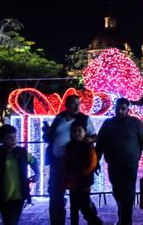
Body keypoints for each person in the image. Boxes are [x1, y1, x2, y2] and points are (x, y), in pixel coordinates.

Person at [96, 98, 143, 225]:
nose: (120, 111)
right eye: (118, 108)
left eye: (123, 109)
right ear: (115, 108)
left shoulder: (136, 123)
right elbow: (100, 144)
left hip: (130, 165)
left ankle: (126, 220)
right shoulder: (108, 123)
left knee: (128, 193)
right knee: (117, 192)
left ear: (128, 109)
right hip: (113, 165)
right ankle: (123, 216)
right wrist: (96, 162)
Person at [43, 95, 96, 225]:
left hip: (76, 163)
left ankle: (92, 218)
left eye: (78, 103)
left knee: (80, 195)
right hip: (57, 162)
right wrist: (47, 132)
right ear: (67, 105)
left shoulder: (84, 119)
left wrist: (88, 140)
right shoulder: (59, 118)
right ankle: (57, 221)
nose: (77, 106)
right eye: (73, 104)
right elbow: (49, 138)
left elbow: (94, 136)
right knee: (55, 194)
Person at [0, 125, 39, 225]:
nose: (13, 140)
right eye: (9, 138)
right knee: (10, 220)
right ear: (1, 139)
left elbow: (33, 161)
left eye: (14, 137)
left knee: (13, 220)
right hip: (3, 195)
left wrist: (37, 173)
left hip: (19, 195)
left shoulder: (21, 152)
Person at [65, 120, 102, 225]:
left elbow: (91, 163)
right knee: (74, 208)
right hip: (73, 182)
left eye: (79, 131)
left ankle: (96, 222)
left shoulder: (88, 146)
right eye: (74, 131)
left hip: (84, 182)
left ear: (85, 132)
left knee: (85, 206)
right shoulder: (69, 146)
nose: (77, 133)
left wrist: (76, 174)